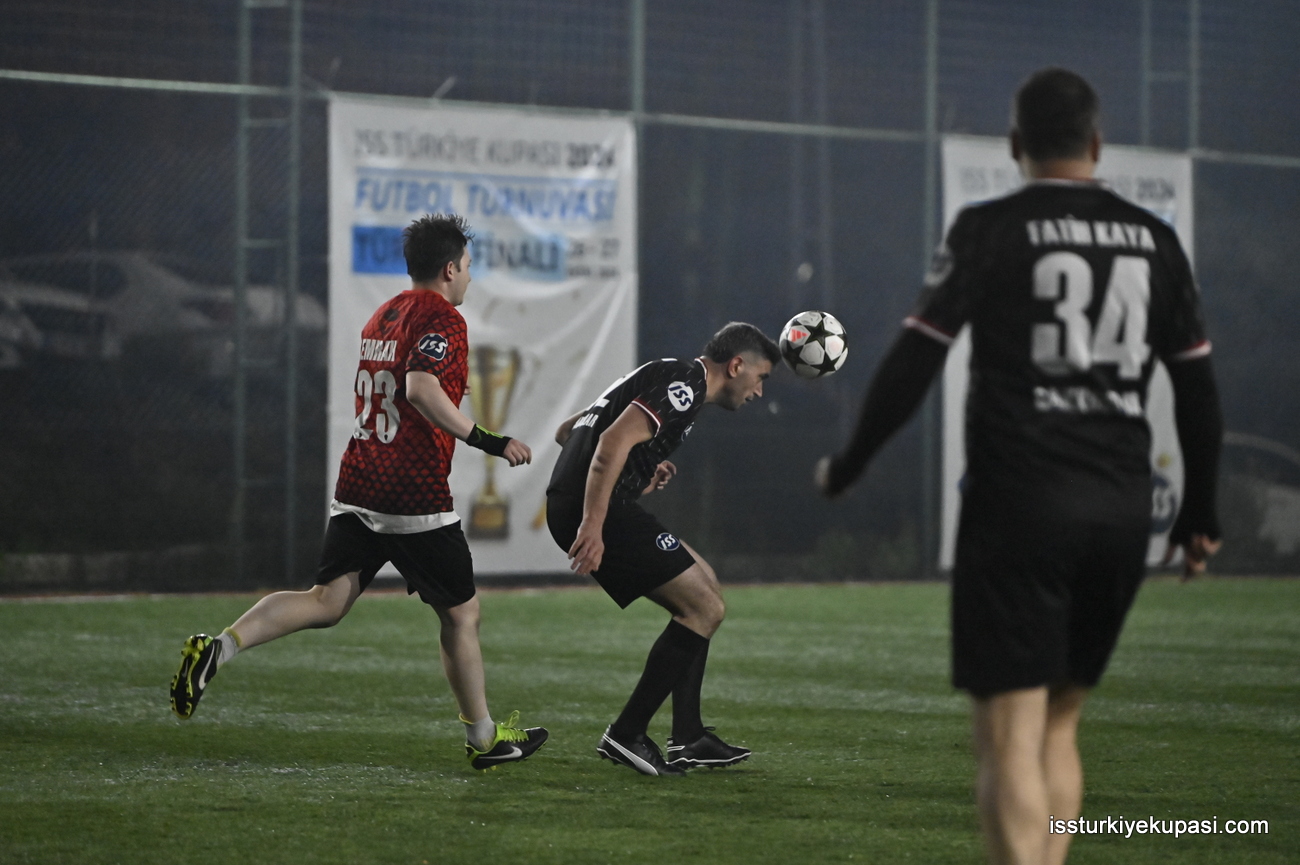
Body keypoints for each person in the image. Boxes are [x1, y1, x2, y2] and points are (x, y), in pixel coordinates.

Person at [816, 68, 1222, 864]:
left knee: (1009, 731)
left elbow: (915, 360)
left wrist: (851, 463)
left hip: (1019, 505)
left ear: (1014, 145)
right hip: (1121, 508)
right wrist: (1200, 511)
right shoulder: (1156, 239)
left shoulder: (990, 228)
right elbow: (1198, 389)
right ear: (1097, 144)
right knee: (1061, 723)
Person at [170, 213, 548, 770]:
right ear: (449, 269)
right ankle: (485, 739)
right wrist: (490, 440)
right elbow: (419, 389)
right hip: (412, 492)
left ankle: (219, 647)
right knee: (462, 615)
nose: (470, 276)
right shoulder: (444, 317)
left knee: (325, 602)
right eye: (468, 266)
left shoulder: (385, 313)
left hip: (360, 480)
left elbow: (398, 386)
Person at [546, 323, 780, 776]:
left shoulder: (666, 372)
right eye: (761, 377)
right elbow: (611, 441)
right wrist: (592, 522)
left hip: (585, 501)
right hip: (593, 509)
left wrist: (639, 469)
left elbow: (566, 432)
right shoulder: (685, 385)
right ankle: (627, 733)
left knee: (705, 583)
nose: (759, 391)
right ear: (736, 366)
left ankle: (688, 736)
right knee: (705, 608)